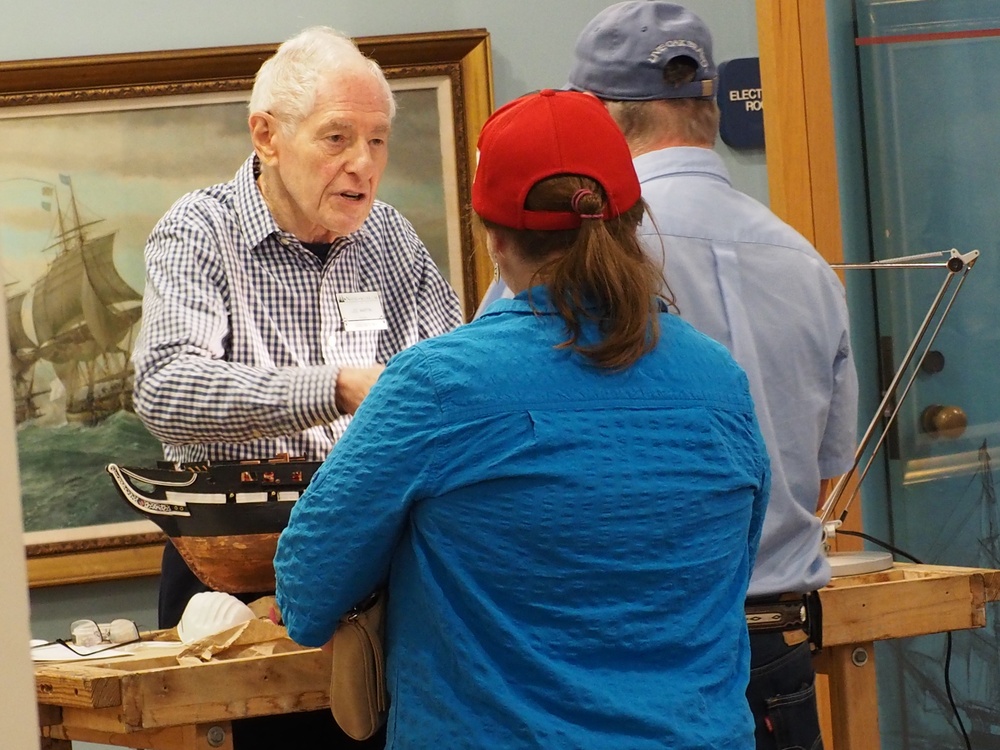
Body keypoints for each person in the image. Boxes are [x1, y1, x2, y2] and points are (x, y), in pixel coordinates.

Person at [274, 88, 770, 750]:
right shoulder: (720, 383)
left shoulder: (436, 385)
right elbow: (734, 566)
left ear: (495, 236)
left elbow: (307, 596)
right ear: (631, 216)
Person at [476, 4, 859, 749]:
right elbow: (816, 485)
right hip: (776, 649)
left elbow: (496, 443)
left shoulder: (566, 256)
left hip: (633, 655)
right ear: (708, 107)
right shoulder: (809, 265)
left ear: (594, 119)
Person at [131, 25, 462, 749]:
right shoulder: (198, 233)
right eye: (337, 137)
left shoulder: (393, 241)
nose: (363, 165)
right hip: (230, 581)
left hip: (375, 585)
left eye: (377, 141)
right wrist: (337, 388)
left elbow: (450, 383)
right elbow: (164, 386)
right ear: (267, 135)